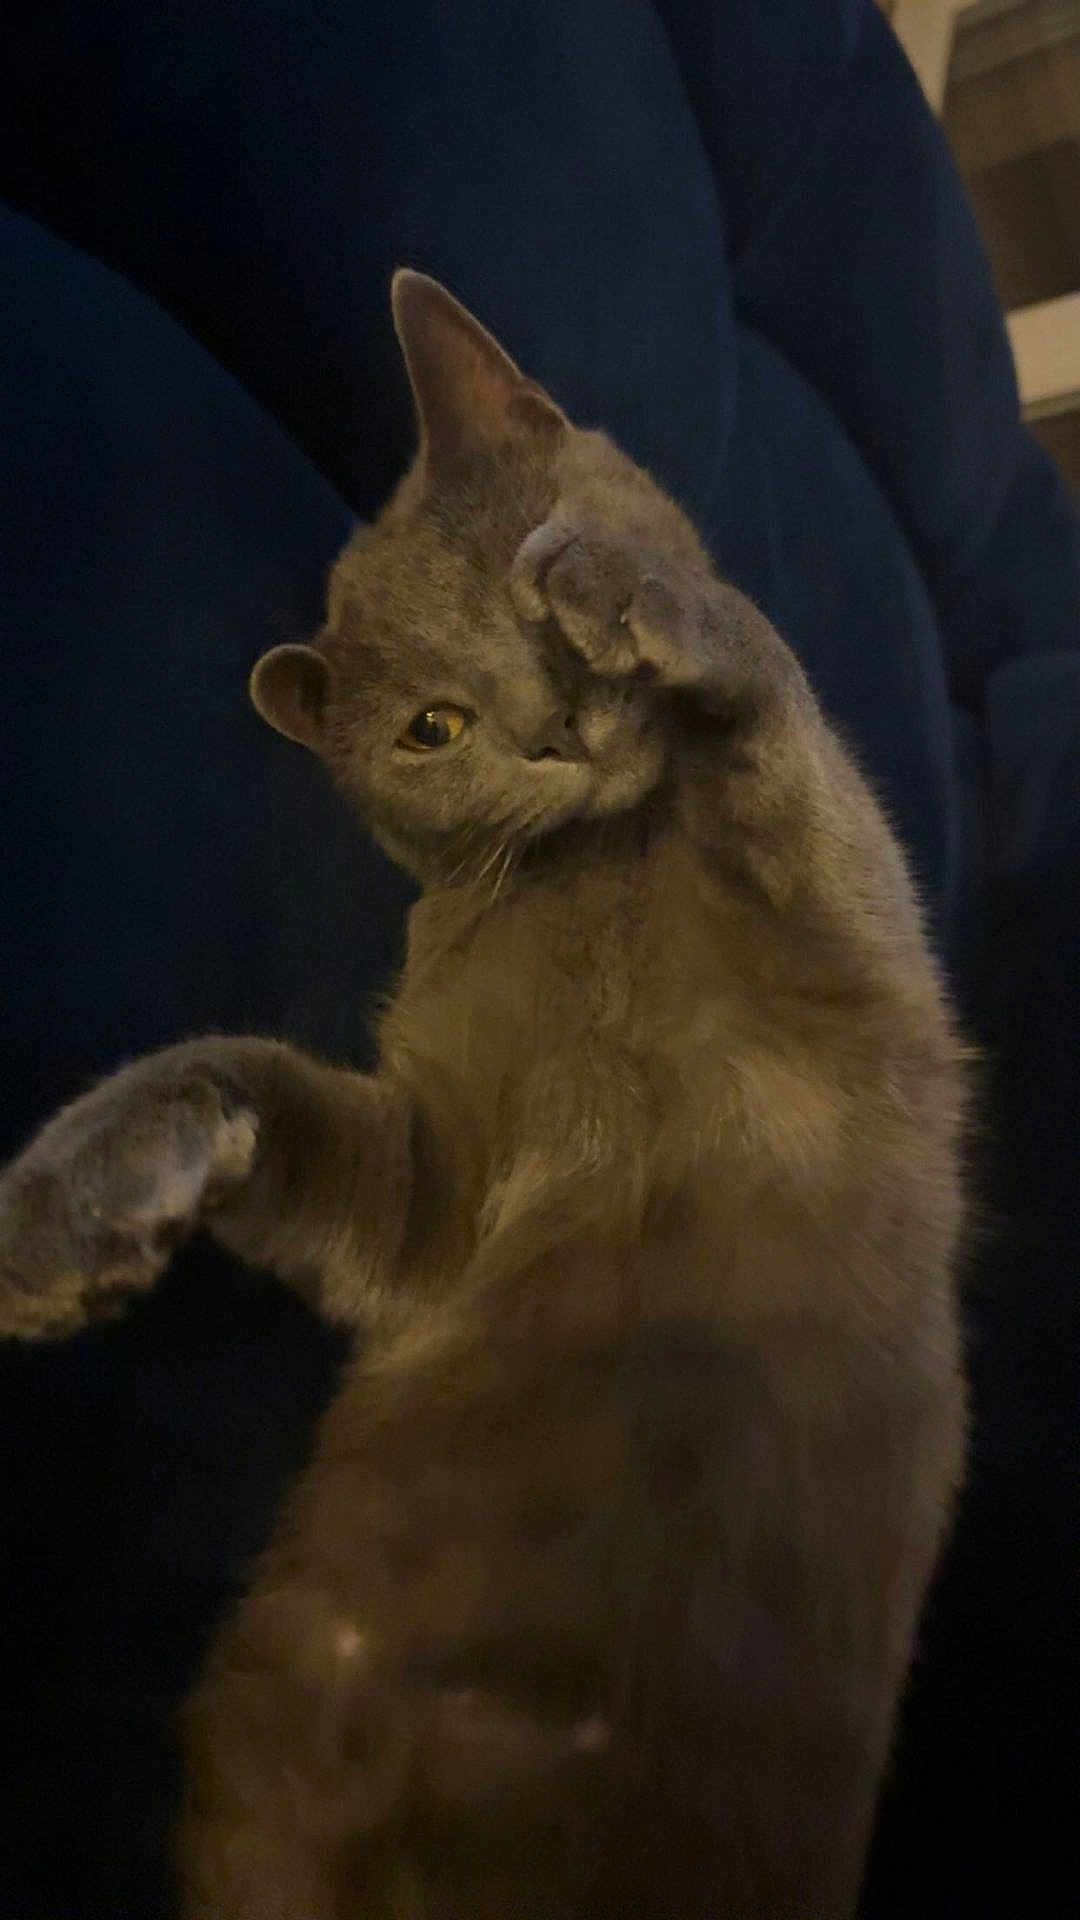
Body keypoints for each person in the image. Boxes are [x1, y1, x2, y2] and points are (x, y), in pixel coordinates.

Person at [1, 3, 1077, 1913]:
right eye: (431, 737)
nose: (547, 727)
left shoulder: (746, 799)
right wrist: (221, 1116)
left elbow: (860, 975)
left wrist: (709, 649)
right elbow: (415, 1211)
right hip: (350, 1732)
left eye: (545, 605)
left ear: (541, 434)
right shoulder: (470, 935)